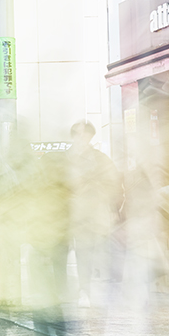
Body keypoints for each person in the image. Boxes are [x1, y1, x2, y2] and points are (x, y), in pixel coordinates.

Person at [65, 121, 122, 308]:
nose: (82, 139)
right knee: (74, 252)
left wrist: (113, 208)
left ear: (91, 137)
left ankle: (91, 291)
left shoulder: (100, 159)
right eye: (78, 135)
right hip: (70, 213)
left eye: (85, 135)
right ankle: (76, 291)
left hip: (93, 213)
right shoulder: (65, 159)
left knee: (93, 252)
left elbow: (114, 183)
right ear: (72, 136)